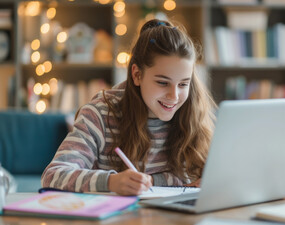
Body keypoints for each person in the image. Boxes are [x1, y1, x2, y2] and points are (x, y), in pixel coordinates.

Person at [41, 19, 216, 196]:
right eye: (163, 83)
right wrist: (111, 182)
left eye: (183, 84)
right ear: (137, 74)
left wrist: (157, 181)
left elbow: (200, 174)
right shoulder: (100, 113)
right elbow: (53, 175)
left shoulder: (192, 112)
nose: (174, 96)